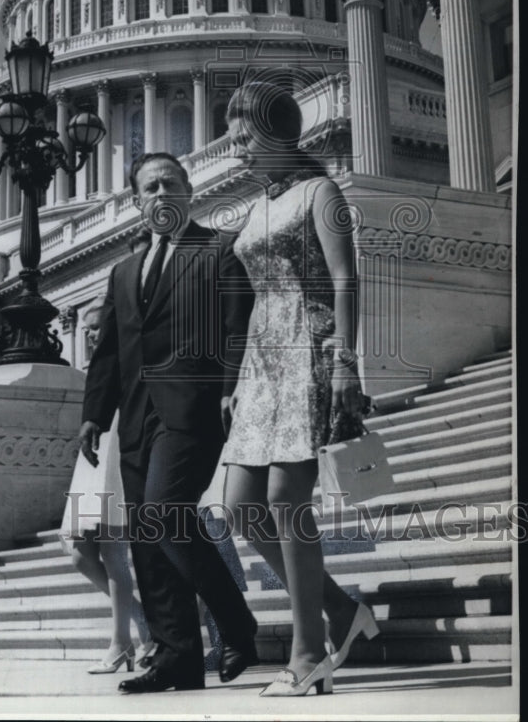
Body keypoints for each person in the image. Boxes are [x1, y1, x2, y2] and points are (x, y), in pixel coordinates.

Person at [221, 82, 379, 698]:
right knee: (240, 507)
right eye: (234, 139)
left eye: (247, 138)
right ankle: (342, 612)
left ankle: (309, 654)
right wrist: (238, 378)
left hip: (309, 348)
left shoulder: (322, 191)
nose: (238, 151)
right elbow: (257, 298)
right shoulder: (256, 207)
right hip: (261, 364)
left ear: (280, 132)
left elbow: (346, 280)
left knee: (288, 499)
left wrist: (346, 361)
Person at [78, 152, 258, 694]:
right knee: (147, 540)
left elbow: (236, 328)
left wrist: (231, 389)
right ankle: (176, 655)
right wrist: (93, 415)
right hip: (133, 418)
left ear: (188, 190)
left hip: (193, 410)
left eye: (170, 183)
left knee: (163, 512)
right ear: (137, 203)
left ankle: (235, 624)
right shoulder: (124, 271)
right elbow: (108, 351)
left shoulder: (220, 249)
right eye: (150, 187)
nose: (161, 193)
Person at [60, 300, 154, 673]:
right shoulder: (96, 368)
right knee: (81, 553)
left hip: (115, 447)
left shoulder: (127, 357)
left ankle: (120, 643)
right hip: (92, 455)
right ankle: (142, 621)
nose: (93, 334)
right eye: (89, 330)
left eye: (98, 327)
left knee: (113, 552)